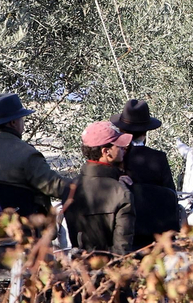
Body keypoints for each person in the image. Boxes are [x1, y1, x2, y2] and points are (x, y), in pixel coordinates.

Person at [0, 93, 72, 217]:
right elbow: (54, 186)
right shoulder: (27, 154)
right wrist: (83, 184)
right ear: (13, 122)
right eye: (22, 118)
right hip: (20, 227)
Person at [114, 99, 181, 248]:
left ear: (122, 131)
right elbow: (170, 193)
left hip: (121, 235)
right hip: (155, 238)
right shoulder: (159, 158)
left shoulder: (115, 158)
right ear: (145, 132)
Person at [64, 120, 135, 254]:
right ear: (106, 152)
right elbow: (121, 250)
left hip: (80, 268)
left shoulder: (70, 188)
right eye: (119, 146)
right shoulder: (121, 192)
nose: (123, 149)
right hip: (111, 270)